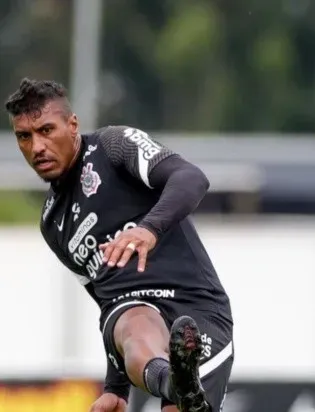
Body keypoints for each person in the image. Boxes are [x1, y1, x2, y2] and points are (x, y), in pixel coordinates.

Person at [5, 78, 234, 412]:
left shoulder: (113, 147)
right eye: (24, 136)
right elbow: (105, 302)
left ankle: (178, 384)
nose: (37, 146)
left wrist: (149, 229)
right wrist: (116, 388)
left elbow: (191, 178)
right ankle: (174, 381)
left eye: (46, 130)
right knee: (131, 317)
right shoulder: (52, 223)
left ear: (72, 125)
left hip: (198, 308)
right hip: (133, 315)